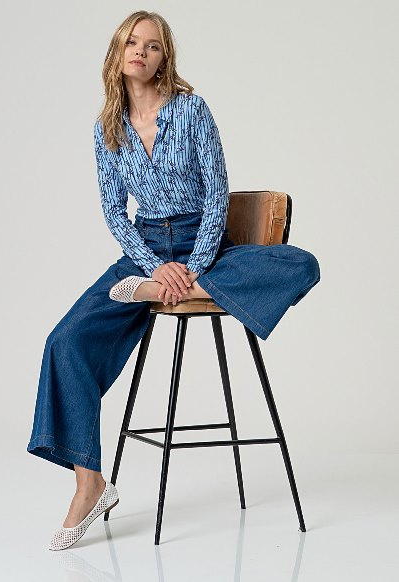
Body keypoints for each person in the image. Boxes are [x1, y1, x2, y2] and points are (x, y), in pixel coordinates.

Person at [27, 10, 321, 551]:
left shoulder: (191, 109)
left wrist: (193, 269)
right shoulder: (107, 127)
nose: (141, 51)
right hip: (143, 253)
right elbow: (115, 211)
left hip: (200, 246)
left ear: (165, 58)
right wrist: (152, 267)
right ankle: (90, 485)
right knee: (64, 341)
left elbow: (216, 193)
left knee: (301, 264)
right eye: (132, 42)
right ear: (118, 52)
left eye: (153, 45)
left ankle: (173, 291)